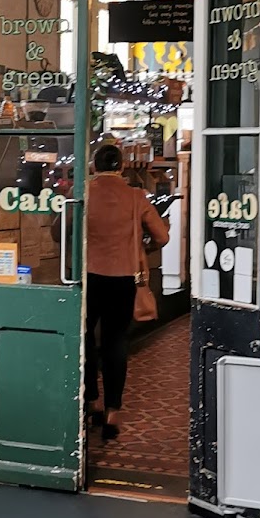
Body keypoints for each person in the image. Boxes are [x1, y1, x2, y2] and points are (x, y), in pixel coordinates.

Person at [85, 142, 169, 441]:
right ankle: (112, 412)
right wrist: (143, 246)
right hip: (123, 279)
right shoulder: (136, 197)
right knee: (115, 342)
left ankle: (91, 399)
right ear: (121, 167)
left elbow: (58, 232)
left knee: (85, 338)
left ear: (94, 166)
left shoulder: (83, 192)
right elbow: (162, 236)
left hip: (88, 277)